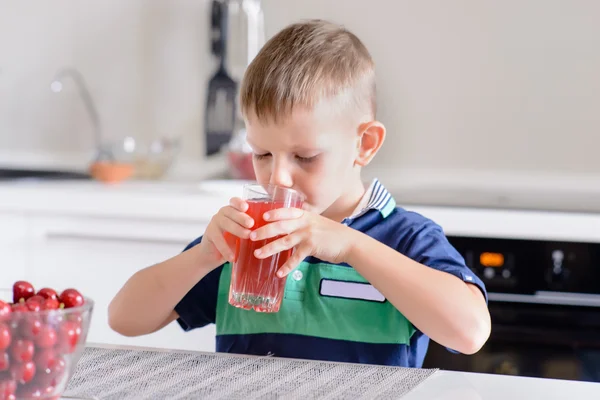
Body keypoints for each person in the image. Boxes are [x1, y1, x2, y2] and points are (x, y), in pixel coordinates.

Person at [109, 19, 491, 367]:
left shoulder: (405, 238)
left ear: (365, 144)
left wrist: (351, 246)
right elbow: (123, 319)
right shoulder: (249, 240)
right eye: (261, 153)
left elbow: (470, 331)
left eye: (304, 157)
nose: (278, 177)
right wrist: (203, 257)